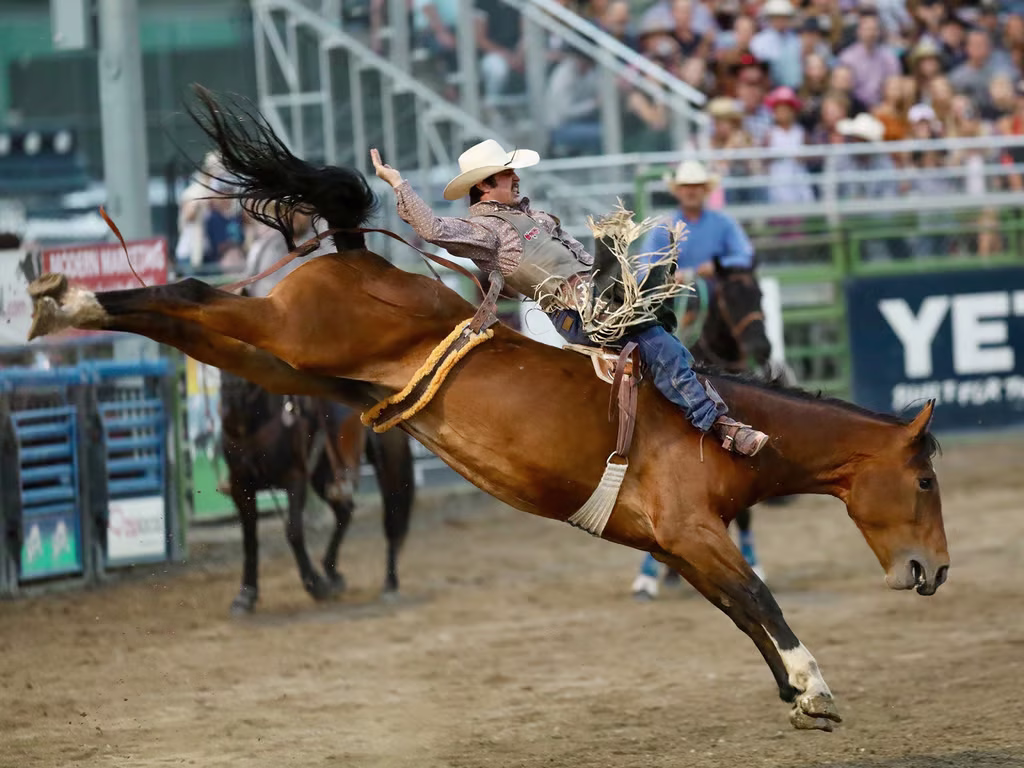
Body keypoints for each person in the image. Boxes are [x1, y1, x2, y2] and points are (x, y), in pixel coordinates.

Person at [369, 141, 770, 456]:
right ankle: (720, 426)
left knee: (663, 325)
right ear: (484, 186)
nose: (515, 177)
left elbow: (582, 258)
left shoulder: (539, 218)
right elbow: (433, 228)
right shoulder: (486, 230)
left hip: (601, 299)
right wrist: (399, 184)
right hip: (577, 312)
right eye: (506, 173)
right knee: (659, 344)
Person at [631, 159, 765, 599]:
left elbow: (743, 257)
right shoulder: (663, 229)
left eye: (696, 186)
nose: (691, 191)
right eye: (685, 186)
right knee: (653, 350)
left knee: (746, 322)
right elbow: (643, 271)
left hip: (714, 304)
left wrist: (712, 266)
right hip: (675, 309)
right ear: (678, 191)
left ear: (704, 190)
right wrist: (675, 276)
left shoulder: (722, 225)